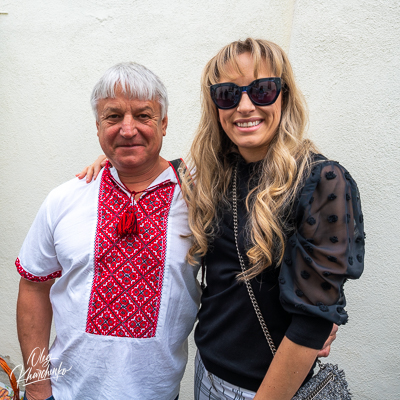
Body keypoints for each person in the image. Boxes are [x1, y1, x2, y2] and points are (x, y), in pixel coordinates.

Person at [81, 39, 358, 400]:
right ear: (215, 105)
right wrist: (112, 164)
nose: (245, 106)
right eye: (228, 93)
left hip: (268, 390)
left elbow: (313, 322)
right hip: (207, 375)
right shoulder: (210, 175)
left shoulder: (321, 181)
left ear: (284, 96)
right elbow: (148, 165)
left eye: (262, 90)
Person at [16, 62, 201, 400]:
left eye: (143, 115)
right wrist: (38, 386)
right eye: (113, 117)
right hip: (64, 393)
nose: (127, 130)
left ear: (164, 123)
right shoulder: (65, 198)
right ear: (97, 126)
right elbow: (33, 287)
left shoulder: (198, 201)